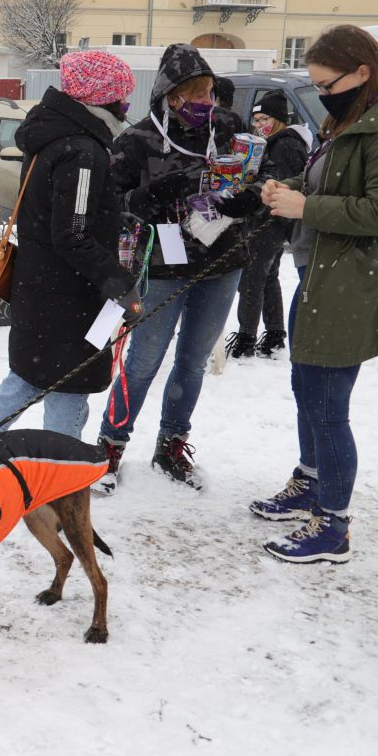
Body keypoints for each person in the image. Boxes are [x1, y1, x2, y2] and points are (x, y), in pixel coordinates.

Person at [252, 26, 378, 564]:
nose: (320, 93)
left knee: (327, 404)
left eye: (325, 82)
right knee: (304, 384)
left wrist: (305, 208)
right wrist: (288, 185)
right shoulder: (355, 113)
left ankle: (333, 525)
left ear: (362, 71)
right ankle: (311, 481)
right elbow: (330, 176)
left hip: (351, 278)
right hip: (318, 270)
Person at [0, 51, 142, 441]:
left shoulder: (55, 132)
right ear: (101, 99)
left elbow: (61, 213)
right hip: (67, 299)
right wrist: (117, 281)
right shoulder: (82, 150)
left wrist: (111, 218)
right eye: (122, 98)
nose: (126, 107)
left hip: (44, 287)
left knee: (29, 382)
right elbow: (72, 232)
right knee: (63, 387)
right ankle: (60, 481)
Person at [95, 43, 247, 493]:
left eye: (210, 94)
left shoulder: (229, 128)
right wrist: (146, 199)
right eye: (195, 94)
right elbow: (110, 204)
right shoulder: (137, 140)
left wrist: (249, 197)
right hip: (163, 263)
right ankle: (109, 447)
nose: (205, 104)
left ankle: (171, 444)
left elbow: (251, 177)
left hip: (223, 259)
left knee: (193, 361)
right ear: (171, 96)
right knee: (142, 362)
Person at [217, 91, 309, 359]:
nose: (259, 124)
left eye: (264, 118)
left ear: (278, 119)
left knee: (252, 277)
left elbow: (290, 182)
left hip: (270, 220)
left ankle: (247, 337)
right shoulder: (274, 142)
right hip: (269, 219)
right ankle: (274, 334)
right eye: (256, 119)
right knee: (267, 277)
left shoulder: (286, 145)